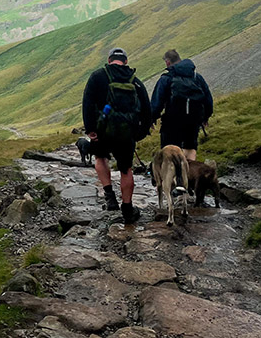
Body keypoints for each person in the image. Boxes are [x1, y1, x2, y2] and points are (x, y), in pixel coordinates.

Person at [82, 47, 152, 224]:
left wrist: (90, 128)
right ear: (126, 61)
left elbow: (87, 103)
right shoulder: (134, 81)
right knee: (126, 170)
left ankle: (109, 196)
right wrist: (140, 133)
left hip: (102, 130)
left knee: (100, 158)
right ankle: (128, 210)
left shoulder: (97, 76)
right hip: (126, 133)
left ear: (109, 59)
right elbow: (146, 109)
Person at [151, 49, 213, 161]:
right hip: (193, 121)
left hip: (172, 121)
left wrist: (151, 118)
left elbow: (157, 102)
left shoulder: (166, 79)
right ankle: (189, 175)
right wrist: (205, 117)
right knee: (190, 147)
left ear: (168, 62)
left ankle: (172, 176)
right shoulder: (196, 77)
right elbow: (208, 100)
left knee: (170, 151)